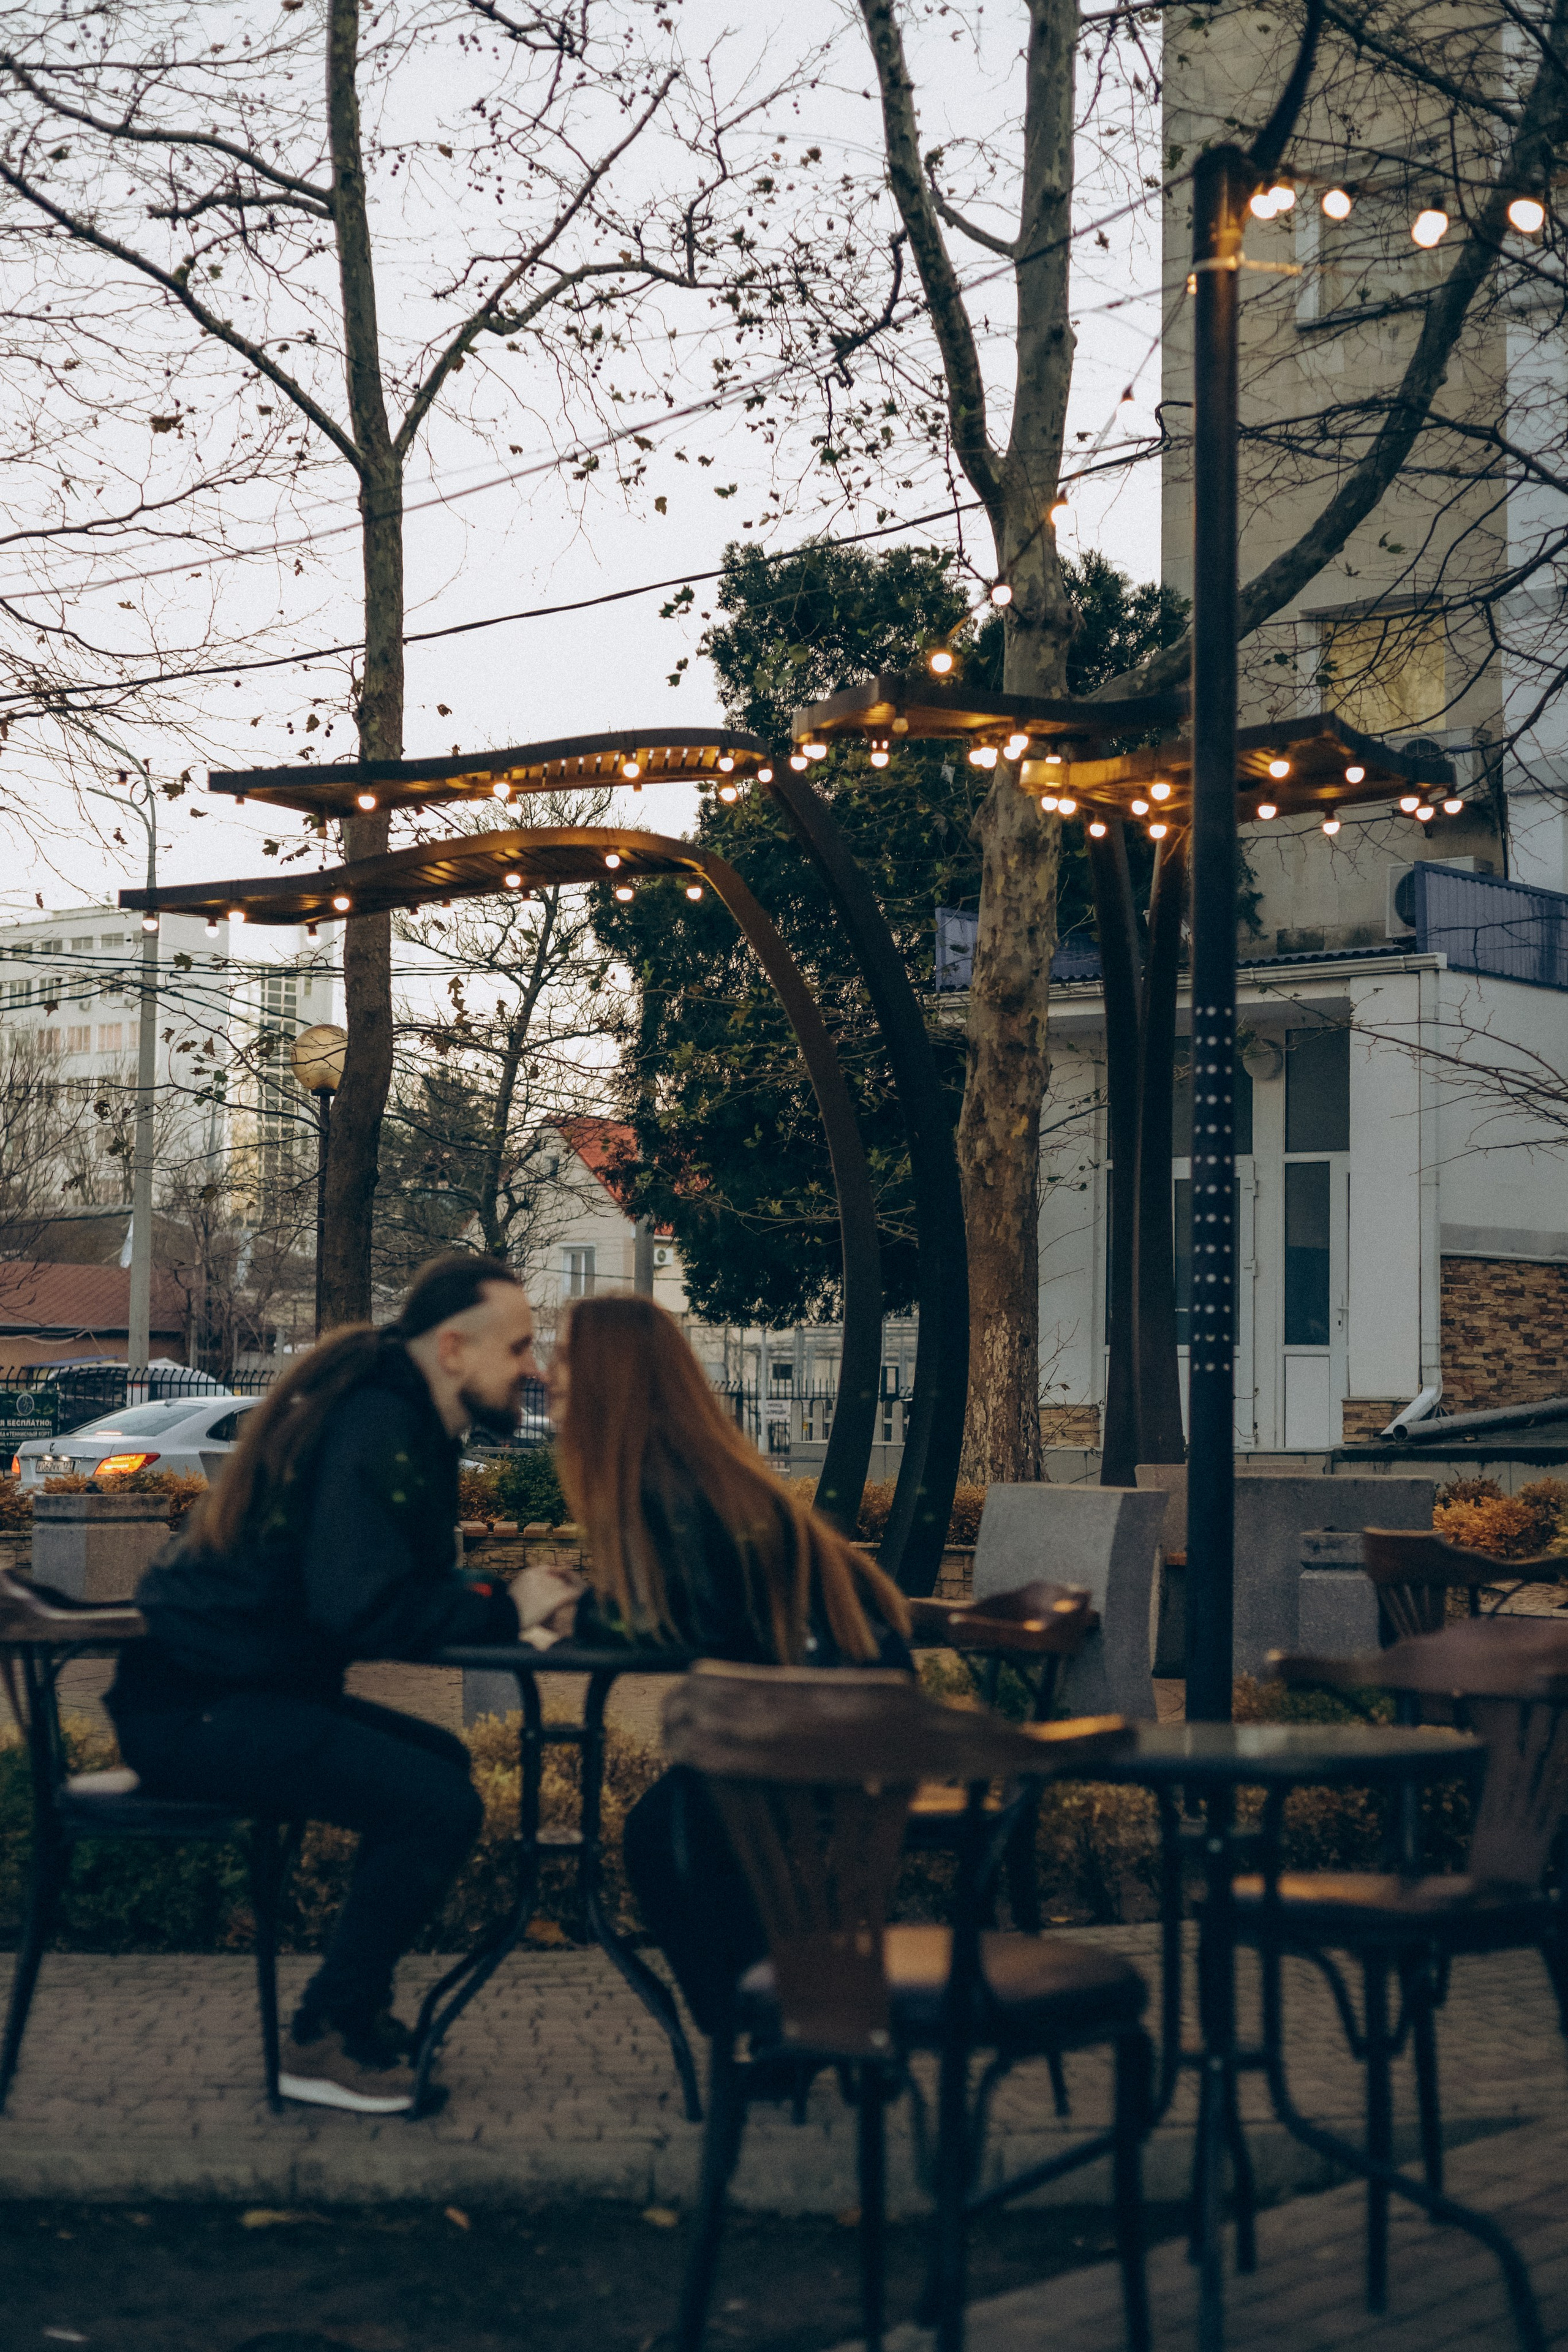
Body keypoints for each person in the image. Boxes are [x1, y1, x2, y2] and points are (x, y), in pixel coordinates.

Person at [107, 1252, 543, 2117]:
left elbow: (390, 1584)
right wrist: (503, 1611)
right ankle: (324, 2037)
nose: (534, 1368)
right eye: (521, 1347)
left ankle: (355, 2015)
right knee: (437, 1804)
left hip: (228, 1695)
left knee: (443, 1765)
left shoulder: (402, 1415)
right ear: (454, 1349)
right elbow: (362, 1604)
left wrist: (505, 1596)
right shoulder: (379, 1420)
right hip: (197, 1711)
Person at [544, 1294, 912, 2034]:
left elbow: (691, 1616)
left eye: (561, 1357)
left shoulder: (667, 1478)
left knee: (666, 1836)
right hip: (843, 1711)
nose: (548, 1373)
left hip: (822, 1729)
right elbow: (690, 1604)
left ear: (606, 1378)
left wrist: (570, 1613)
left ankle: (763, 2032)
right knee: (680, 1829)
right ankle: (786, 2024)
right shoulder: (691, 1467)